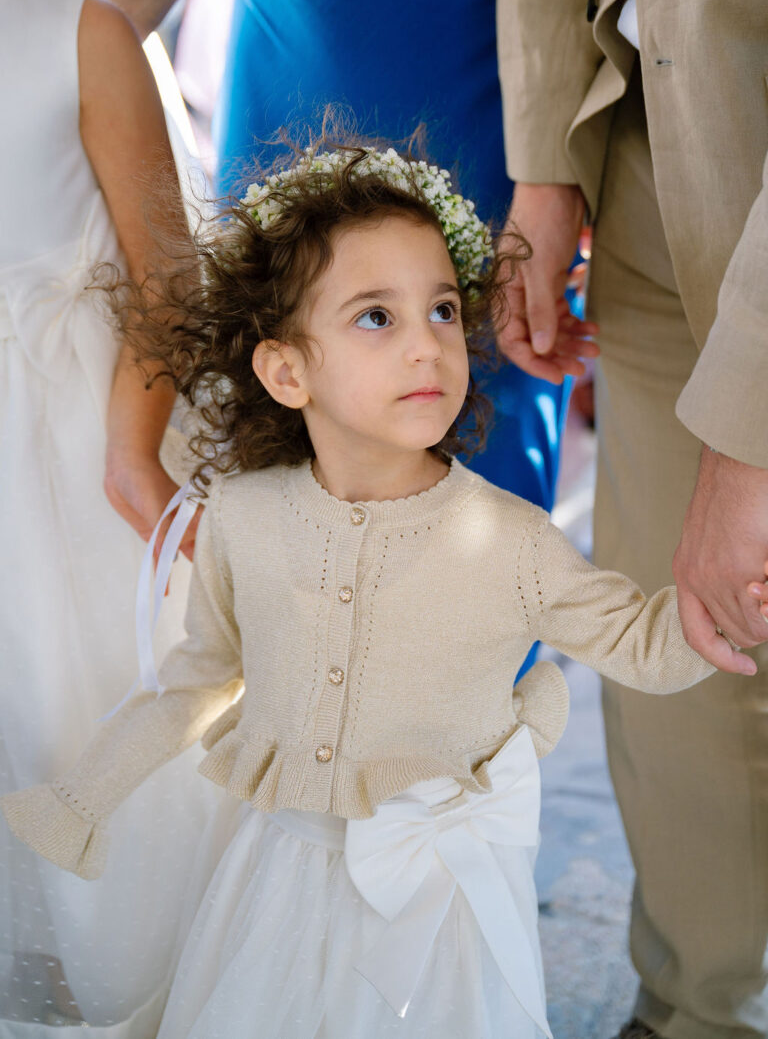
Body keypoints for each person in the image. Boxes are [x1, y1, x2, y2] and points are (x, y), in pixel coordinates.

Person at [1, 141, 745, 1039]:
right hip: (279, 879)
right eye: (376, 317)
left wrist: (733, 600)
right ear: (287, 372)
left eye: (442, 309)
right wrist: (82, 799)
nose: (427, 344)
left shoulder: (511, 540)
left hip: (433, 904)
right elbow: (199, 679)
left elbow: (642, 646)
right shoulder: (243, 516)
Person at [102, 0, 582, 547]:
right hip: (306, 48)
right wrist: (86, 46)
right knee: (292, 385)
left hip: (504, 72)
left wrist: (554, 171)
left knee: (475, 405)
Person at [495, 0, 768, 1037]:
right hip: (656, 148)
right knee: (678, 654)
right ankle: (694, 1005)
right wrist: (547, 162)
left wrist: (747, 444)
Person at [0, 0, 217, 1034]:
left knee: (73, 724)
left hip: (60, 461)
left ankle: (100, 983)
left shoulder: (80, 36)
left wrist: (135, 452)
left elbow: (167, 275)